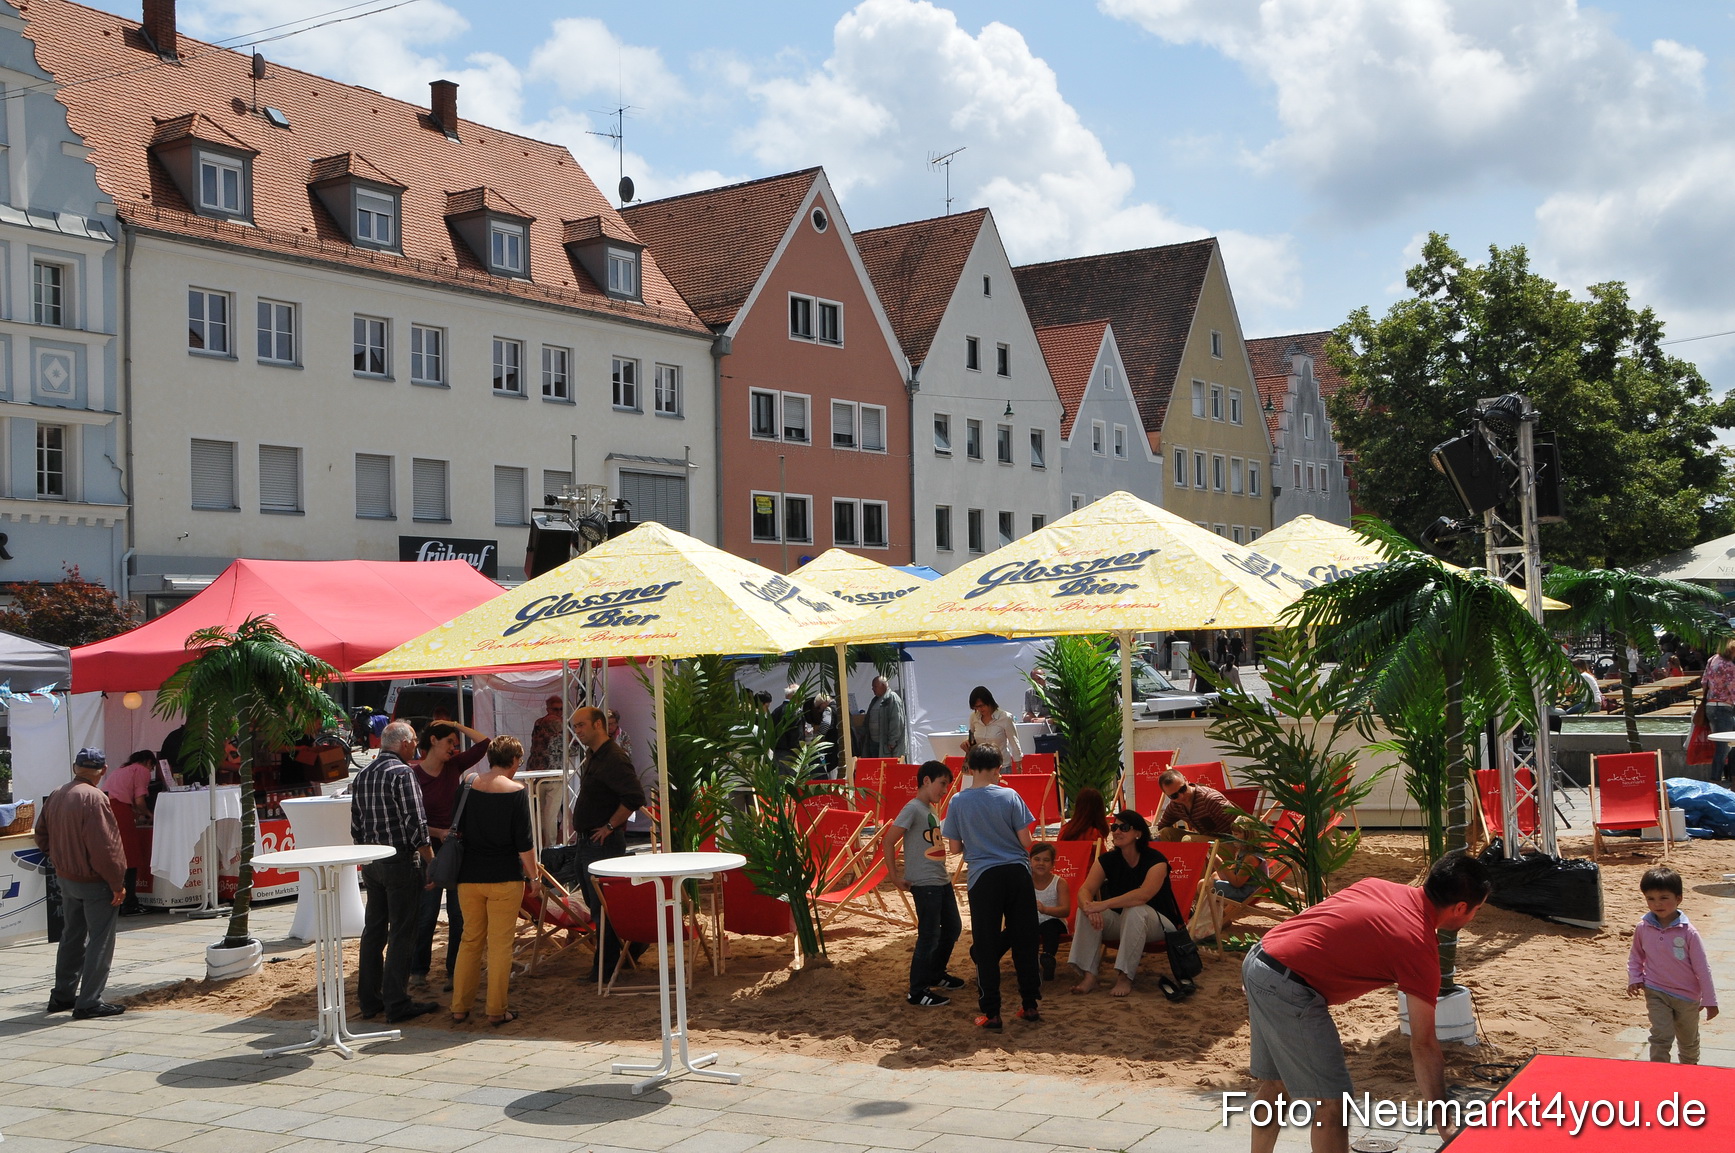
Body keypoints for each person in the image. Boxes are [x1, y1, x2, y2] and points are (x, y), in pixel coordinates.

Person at [1241, 851, 1491, 1152]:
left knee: (1278, 1084)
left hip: (1260, 958)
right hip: (1288, 986)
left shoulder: (1380, 886)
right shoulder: (1417, 946)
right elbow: (1423, 1044)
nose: (1474, 916)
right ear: (1460, 907)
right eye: (1476, 910)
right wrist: (1444, 1121)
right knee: (1333, 1102)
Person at [941, 745, 1041, 1030]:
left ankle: (992, 1012)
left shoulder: (959, 801)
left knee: (985, 943)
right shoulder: (1010, 795)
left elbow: (955, 846)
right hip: (1017, 873)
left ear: (969, 768)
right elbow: (1026, 841)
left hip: (983, 876)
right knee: (1025, 938)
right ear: (999, 768)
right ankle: (1030, 1005)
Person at [450, 736, 543, 1026]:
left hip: (469, 875)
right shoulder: (516, 791)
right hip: (504, 876)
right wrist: (535, 878)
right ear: (514, 760)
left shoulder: (468, 783)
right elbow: (524, 844)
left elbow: (458, 827)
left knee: (470, 940)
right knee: (501, 945)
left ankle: (459, 1006)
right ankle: (495, 1010)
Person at [351, 721, 437, 1024]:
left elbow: (356, 824)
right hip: (399, 859)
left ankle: (370, 1000)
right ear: (403, 744)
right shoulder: (402, 773)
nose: (416, 746)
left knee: (374, 931)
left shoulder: (363, 774)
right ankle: (396, 1001)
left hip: (373, 861)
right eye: (414, 741)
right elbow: (416, 822)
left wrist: (365, 856)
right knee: (402, 931)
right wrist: (430, 860)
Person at [37, 748, 128, 1019]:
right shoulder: (95, 797)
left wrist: (59, 859)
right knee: (100, 940)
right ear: (103, 770)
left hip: (66, 878)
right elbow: (106, 847)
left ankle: (62, 995)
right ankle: (89, 1001)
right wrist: (117, 883)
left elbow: (41, 835)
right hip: (94, 881)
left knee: (72, 937)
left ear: (75, 767)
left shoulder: (58, 793)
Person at [1069, 810, 1187, 998]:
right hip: (1123, 921)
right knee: (1085, 911)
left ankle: (1125, 976)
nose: (1116, 832)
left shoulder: (1156, 861)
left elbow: (1143, 895)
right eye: (1114, 827)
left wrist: (1104, 904)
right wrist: (1090, 907)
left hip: (1158, 924)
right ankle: (1089, 975)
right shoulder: (1108, 860)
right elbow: (1085, 890)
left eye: (1123, 827)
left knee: (1135, 910)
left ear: (1138, 833)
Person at [411, 720, 491, 992]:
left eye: (456, 745)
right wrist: (437, 831)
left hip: (455, 848)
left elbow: (484, 745)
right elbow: (412, 820)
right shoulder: (413, 774)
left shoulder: (453, 767)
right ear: (433, 740)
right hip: (427, 847)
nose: (454, 749)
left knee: (459, 913)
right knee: (426, 912)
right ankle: (418, 970)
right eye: (449, 742)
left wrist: (455, 725)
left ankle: (454, 969)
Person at [569, 705, 645, 980]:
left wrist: (611, 826)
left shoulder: (613, 756)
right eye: (575, 726)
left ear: (598, 725)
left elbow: (635, 796)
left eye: (581, 725)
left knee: (603, 907)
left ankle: (605, 966)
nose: (577, 731)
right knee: (596, 904)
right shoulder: (595, 754)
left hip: (601, 843)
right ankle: (632, 945)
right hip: (588, 841)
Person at [889, 761, 963, 1006]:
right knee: (929, 935)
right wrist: (894, 876)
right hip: (924, 882)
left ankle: (935, 973)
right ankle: (917, 990)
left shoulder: (930, 809)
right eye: (942, 783)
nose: (945, 790)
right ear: (926, 780)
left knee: (952, 928)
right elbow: (888, 841)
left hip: (940, 879)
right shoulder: (913, 808)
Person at [1627, 866, 1718, 1064]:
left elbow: (1703, 968)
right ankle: (1660, 1074)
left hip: (1687, 996)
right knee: (1660, 1035)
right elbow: (1636, 956)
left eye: (1663, 898)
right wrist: (1635, 978)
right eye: (1650, 898)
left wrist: (1710, 1000)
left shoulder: (1688, 932)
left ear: (1678, 898)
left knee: (1688, 1041)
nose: (1657, 904)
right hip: (1656, 990)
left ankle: (1689, 1071)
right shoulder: (1643, 927)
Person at [100, 749, 157, 916]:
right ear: (148, 762)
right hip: (120, 812)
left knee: (116, 857)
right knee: (130, 857)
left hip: (108, 809)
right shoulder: (141, 770)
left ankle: (117, 900)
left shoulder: (121, 770)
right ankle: (130, 903)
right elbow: (139, 800)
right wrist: (149, 814)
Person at [1154, 768, 1236, 840]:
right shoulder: (1175, 806)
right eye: (1174, 795)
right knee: (1165, 833)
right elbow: (1160, 827)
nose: (1181, 796)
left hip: (1229, 843)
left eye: (1183, 789)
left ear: (1186, 780)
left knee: (1189, 840)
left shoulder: (1209, 799)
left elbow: (1241, 822)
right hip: (1208, 841)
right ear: (1167, 795)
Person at [1029, 842, 1070, 982]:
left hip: (1055, 921)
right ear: (1030, 861)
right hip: (1032, 923)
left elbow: (1066, 910)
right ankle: (989, 955)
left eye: (1046, 860)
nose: (1041, 863)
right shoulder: (1025, 881)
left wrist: (1046, 910)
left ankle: (1048, 958)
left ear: (1053, 864)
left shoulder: (1059, 883)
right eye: (1037, 859)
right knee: (1024, 928)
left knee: (1050, 926)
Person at [964, 686, 1023, 768]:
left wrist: (1019, 767)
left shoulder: (1005, 717)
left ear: (989, 702)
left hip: (1002, 765)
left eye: (982, 706)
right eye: (976, 707)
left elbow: (1014, 743)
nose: (979, 709)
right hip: (981, 767)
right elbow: (972, 738)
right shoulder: (974, 717)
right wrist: (967, 743)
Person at [1702, 639, 1735, 782]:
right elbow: (1732, 689)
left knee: (1726, 746)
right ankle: (1715, 780)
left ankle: (1725, 777)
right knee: (1724, 748)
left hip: (1711, 706)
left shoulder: (1712, 660)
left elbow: (1704, 682)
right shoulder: (1728, 666)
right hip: (1723, 708)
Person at [864, 676, 907, 760]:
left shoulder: (892, 698)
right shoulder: (875, 700)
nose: (873, 689)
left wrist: (892, 742)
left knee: (886, 769)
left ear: (883, 686)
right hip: (875, 743)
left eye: (875, 687)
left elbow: (897, 722)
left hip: (887, 746)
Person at [524, 696, 564, 774]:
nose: (559, 712)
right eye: (555, 709)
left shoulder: (539, 722)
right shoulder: (552, 720)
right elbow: (566, 745)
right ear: (548, 710)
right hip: (548, 768)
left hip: (535, 766)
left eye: (561, 709)